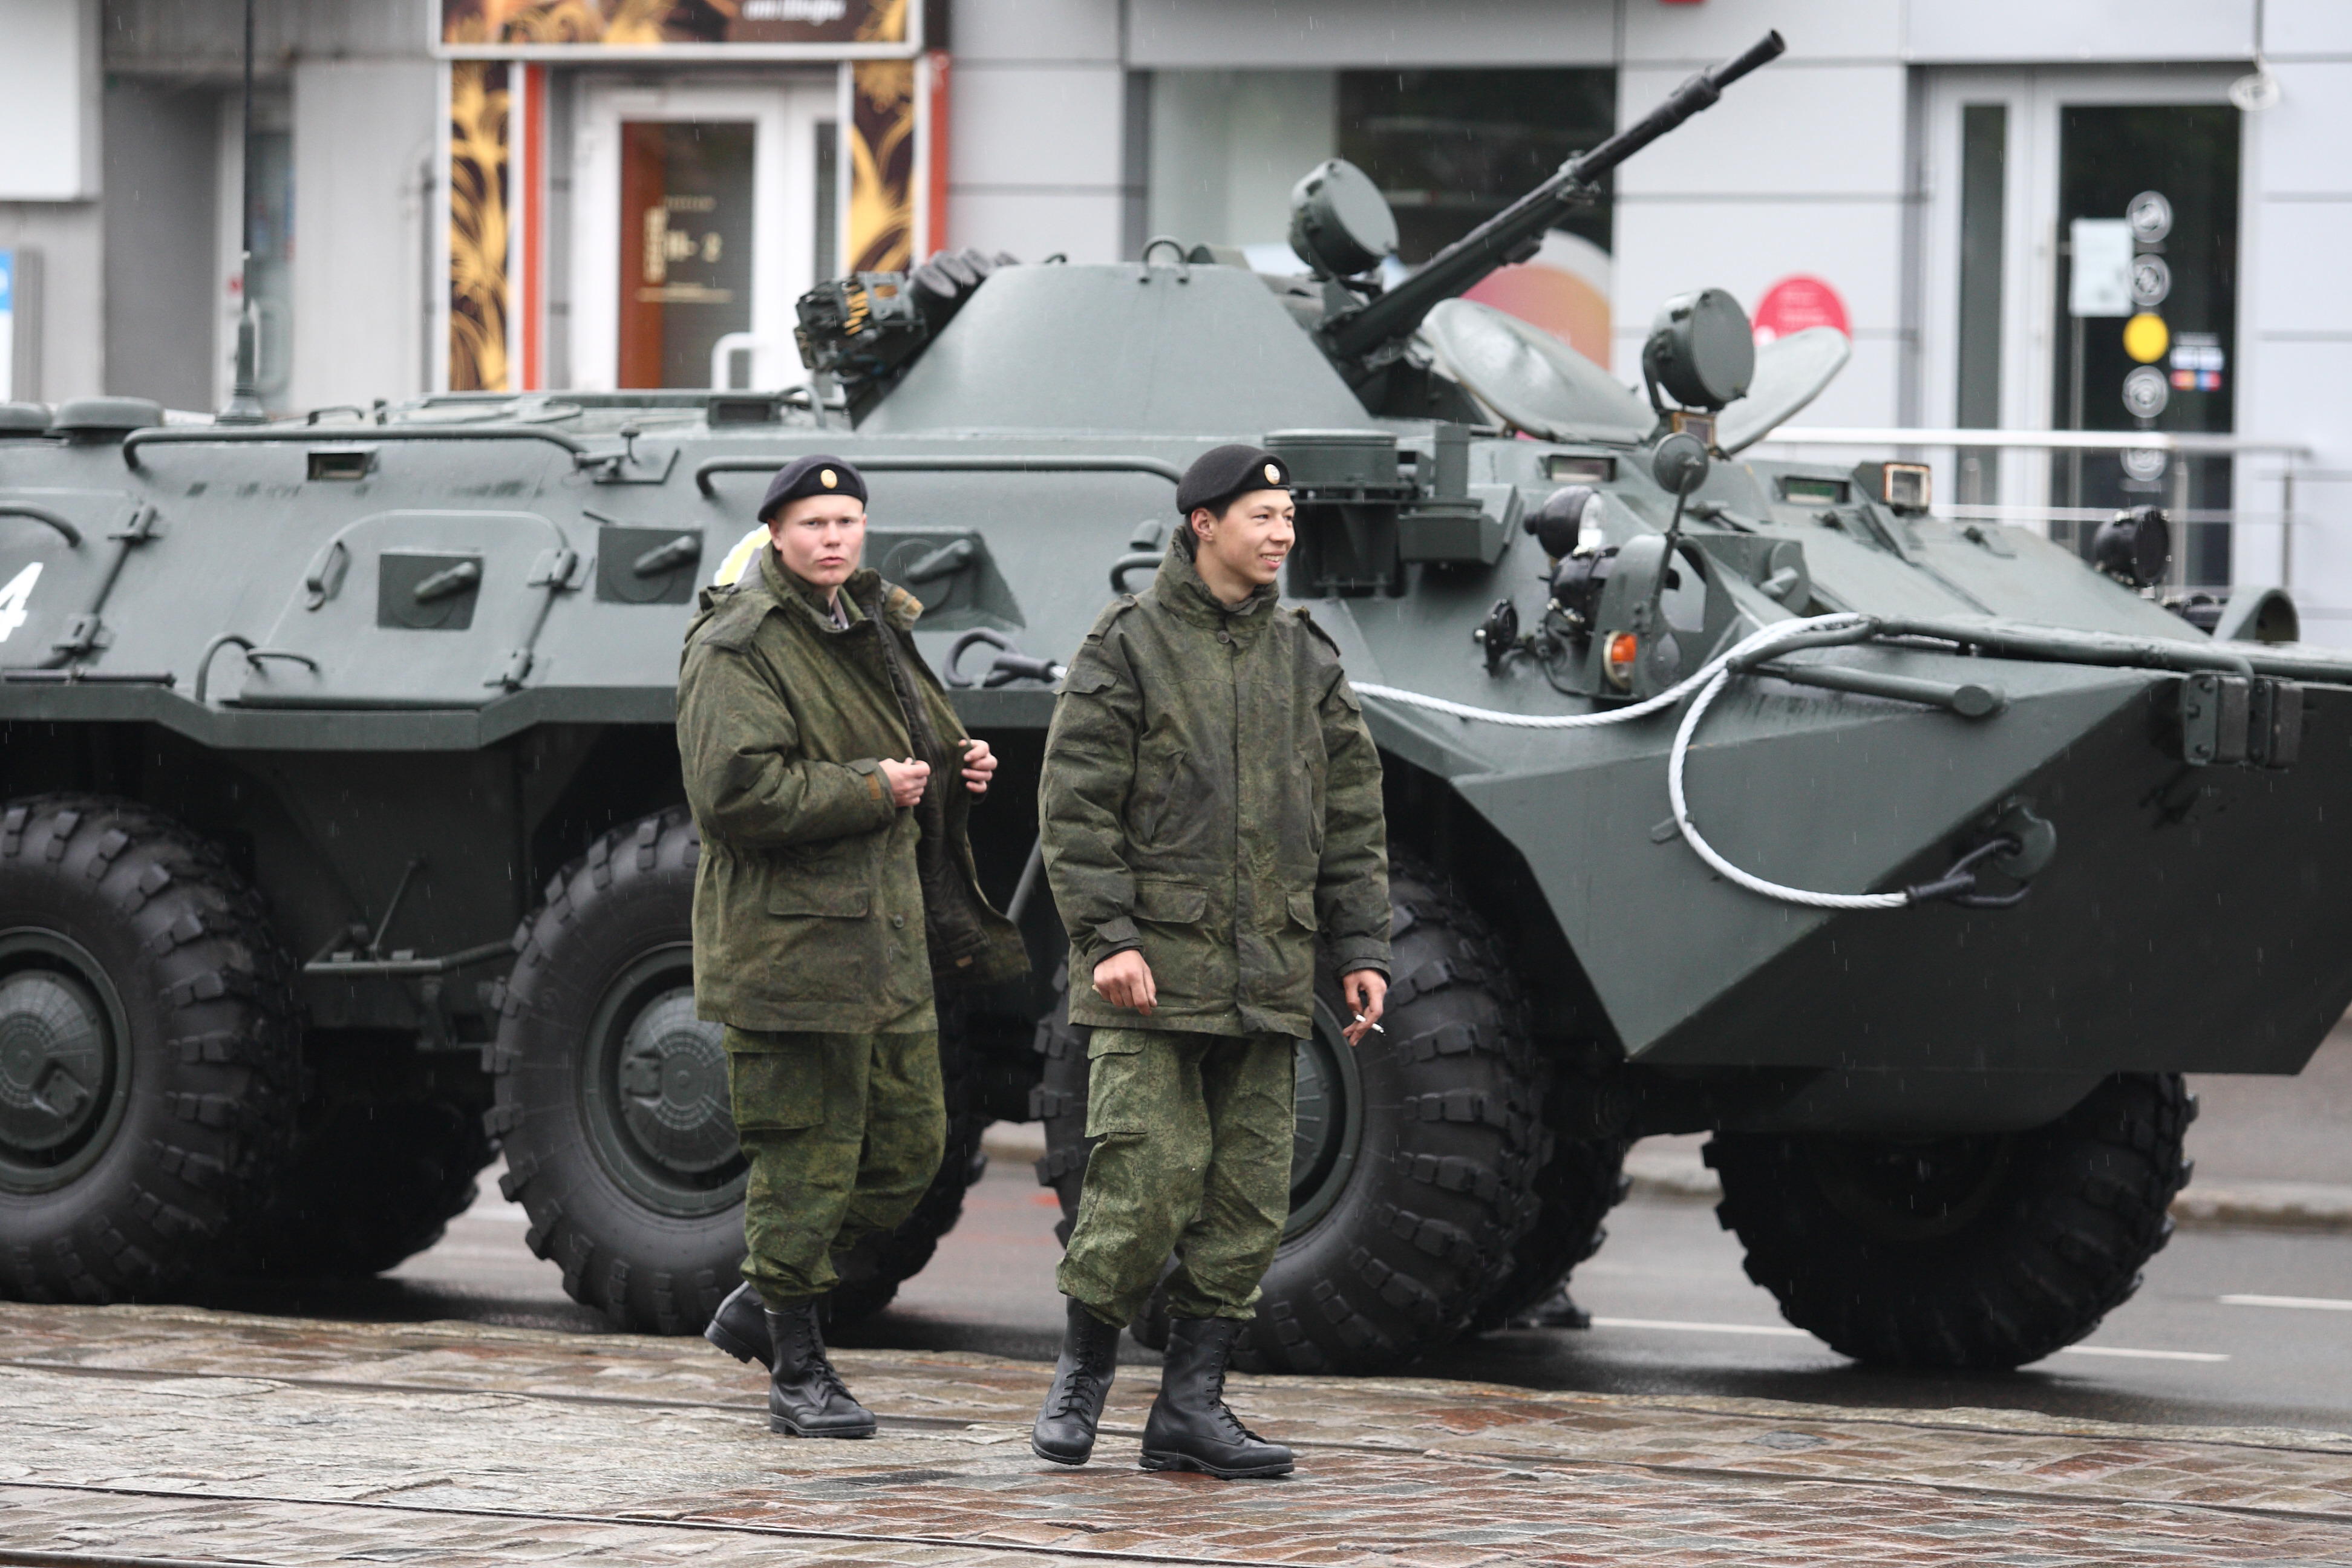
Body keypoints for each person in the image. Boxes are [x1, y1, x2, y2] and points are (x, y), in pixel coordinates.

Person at [1030, 444, 1391, 1478]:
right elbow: (1076, 807)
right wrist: (1111, 940)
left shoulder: (1304, 658)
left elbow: (1352, 815)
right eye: (1260, 516)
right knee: (1142, 1184)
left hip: (1268, 977)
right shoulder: (1129, 647)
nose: (1280, 533)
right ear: (1203, 525)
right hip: (1150, 975)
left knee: (1246, 1204)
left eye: (1287, 518)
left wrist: (1361, 944)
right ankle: (1082, 1377)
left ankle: (1190, 1409)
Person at [676, 453, 1027, 1439]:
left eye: (848, 521)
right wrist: (871, 789)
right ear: (777, 534)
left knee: (912, 1151)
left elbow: (918, 742)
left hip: (885, 940)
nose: (834, 538)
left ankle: (762, 1302)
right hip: (791, 953)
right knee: (807, 1154)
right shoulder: (739, 642)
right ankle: (797, 1367)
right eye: (814, 523)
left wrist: (963, 765)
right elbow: (734, 794)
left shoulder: (871, 623)